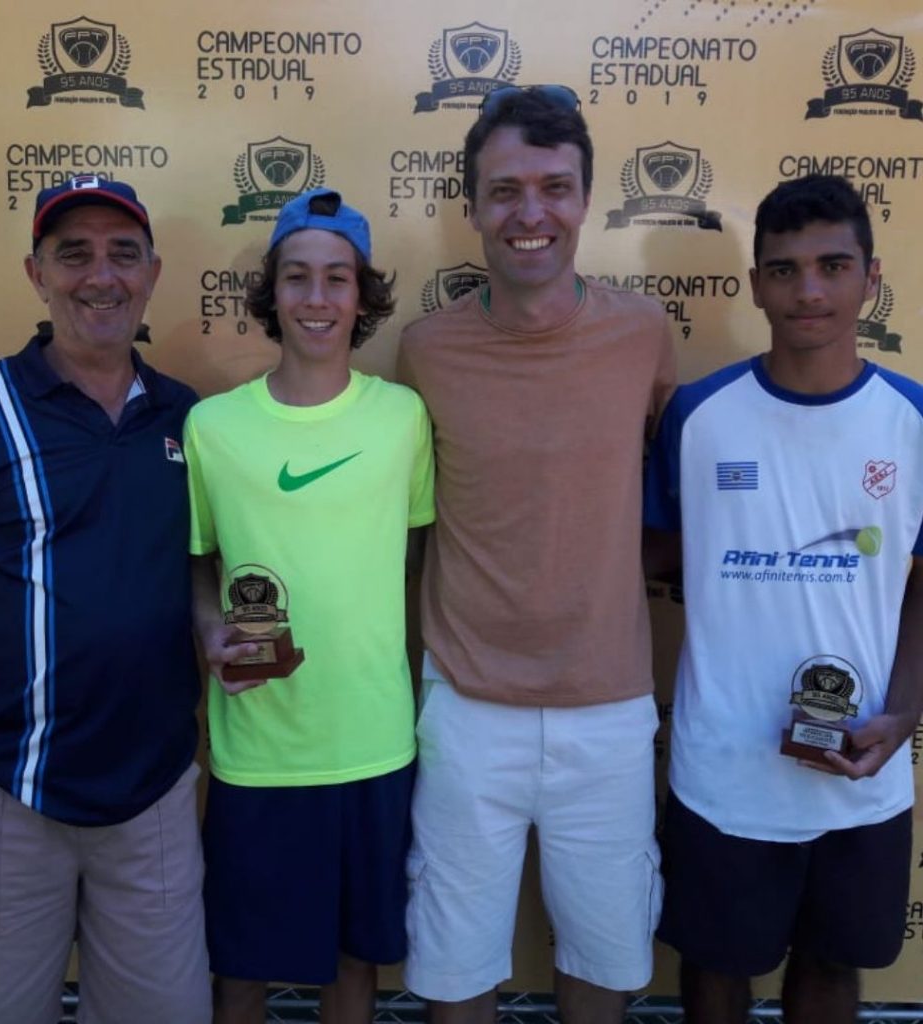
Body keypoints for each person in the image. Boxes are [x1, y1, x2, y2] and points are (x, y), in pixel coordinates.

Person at [0, 174, 210, 1023]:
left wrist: (221, 630)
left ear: (152, 274)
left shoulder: (187, 418)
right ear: (36, 274)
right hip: (0, 795)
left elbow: (198, 570)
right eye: (74, 255)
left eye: (123, 254)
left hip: (151, 800)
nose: (100, 276)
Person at [397, 85, 675, 1024]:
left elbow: (662, 495)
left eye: (554, 188)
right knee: (453, 970)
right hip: (467, 709)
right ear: (473, 207)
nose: (531, 213)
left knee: (606, 962)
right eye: (506, 190)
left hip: (610, 709)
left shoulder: (644, 335)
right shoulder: (426, 351)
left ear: (586, 199)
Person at [644, 174, 923, 1024]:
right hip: (723, 770)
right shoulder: (697, 417)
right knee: (715, 970)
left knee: (834, 966)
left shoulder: (913, 421)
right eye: (784, 269)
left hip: (861, 767)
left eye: (833, 266)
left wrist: (904, 712)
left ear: (871, 278)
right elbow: (648, 556)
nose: (809, 291)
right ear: (755, 284)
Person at [186, 187, 435, 1024]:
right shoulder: (213, 427)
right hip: (258, 751)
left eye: (337, 277)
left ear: (362, 297)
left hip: (373, 744)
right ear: (272, 293)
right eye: (297, 276)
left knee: (353, 966)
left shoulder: (403, 417)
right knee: (240, 971)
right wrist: (210, 628)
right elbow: (199, 561)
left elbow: (415, 559)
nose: (317, 297)